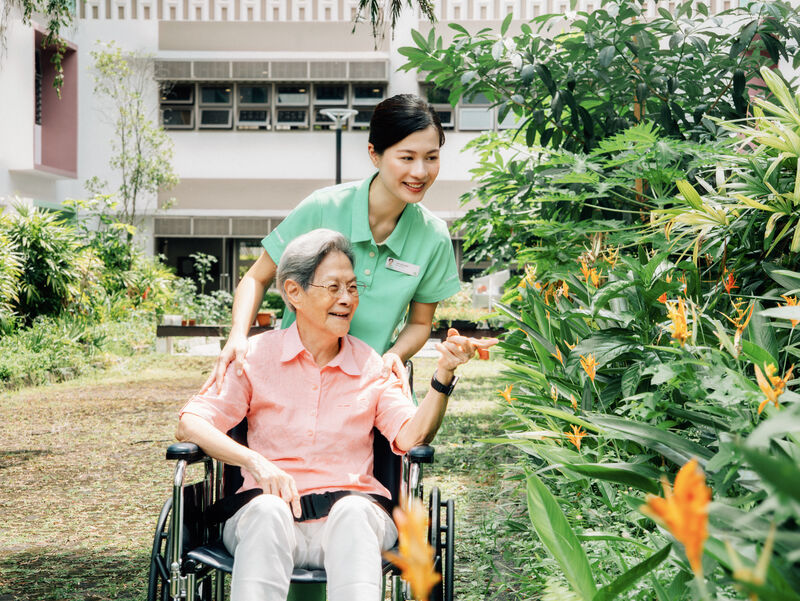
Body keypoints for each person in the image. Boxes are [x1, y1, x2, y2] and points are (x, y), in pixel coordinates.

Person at [177, 229, 496, 601]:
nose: (346, 299)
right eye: (333, 287)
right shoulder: (255, 358)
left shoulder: (370, 365)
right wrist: (255, 462)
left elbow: (411, 437)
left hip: (353, 519)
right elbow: (191, 422)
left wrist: (442, 377)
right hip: (267, 517)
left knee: (354, 513)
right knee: (266, 510)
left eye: (353, 287)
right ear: (294, 292)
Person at [202, 94, 461, 394]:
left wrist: (394, 356)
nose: (420, 172)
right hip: (291, 380)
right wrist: (237, 335)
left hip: (367, 388)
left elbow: (419, 323)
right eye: (407, 157)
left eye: (431, 157)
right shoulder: (322, 207)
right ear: (374, 154)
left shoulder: (434, 236)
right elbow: (255, 277)